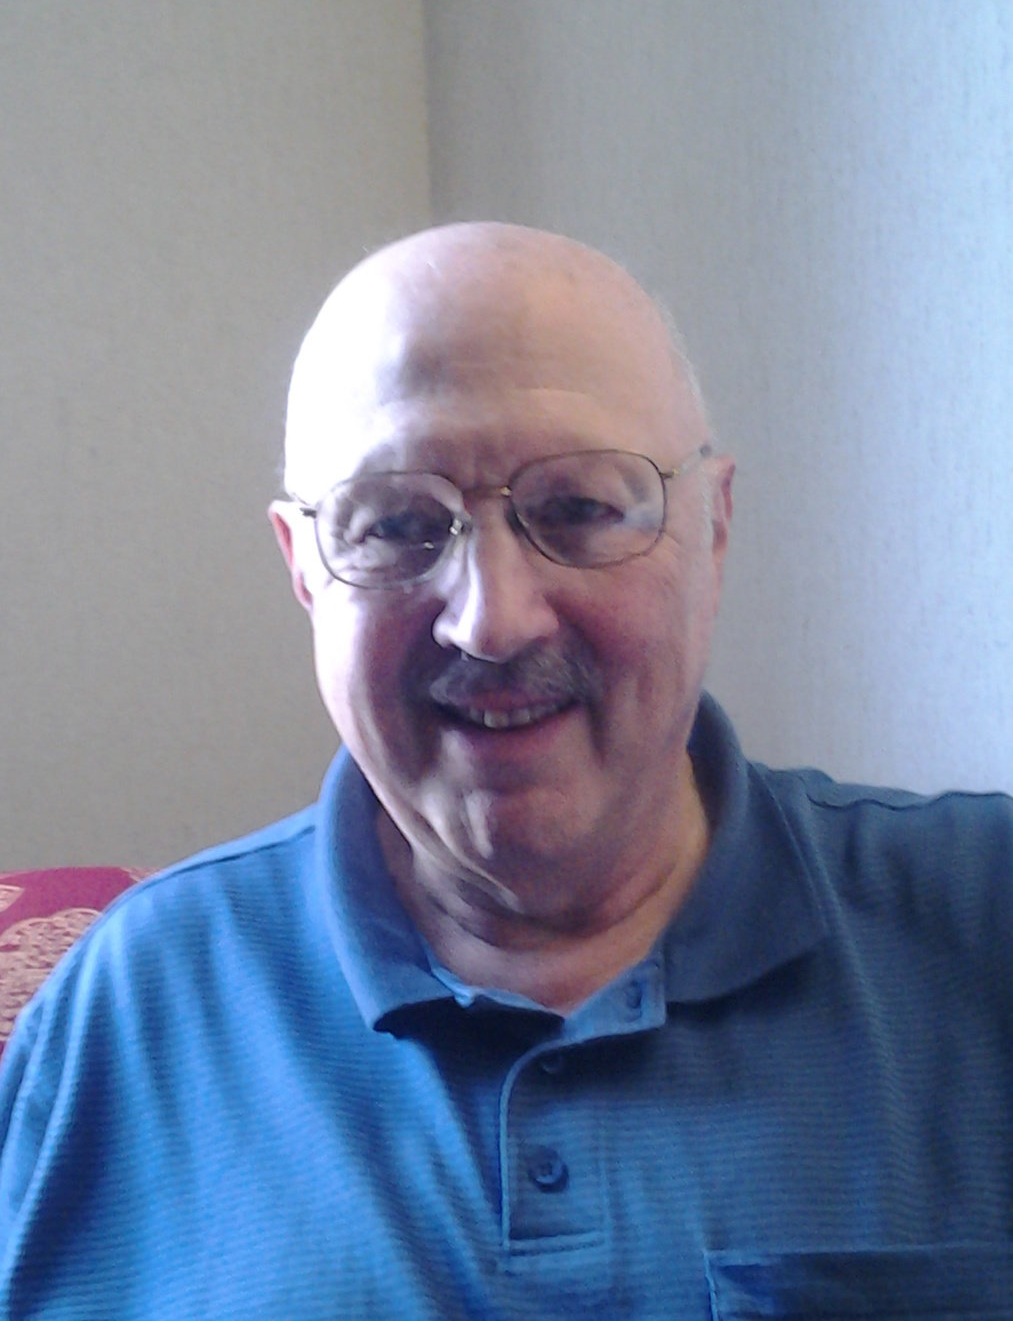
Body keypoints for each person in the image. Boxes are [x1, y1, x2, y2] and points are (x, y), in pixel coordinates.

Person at [1, 223, 1010, 1318]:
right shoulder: (134, 1008)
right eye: (396, 524)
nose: (492, 621)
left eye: (577, 509)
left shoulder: (979, 922)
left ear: (711, 532)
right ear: (304, 571)